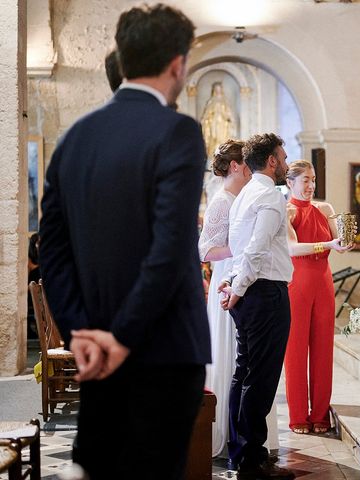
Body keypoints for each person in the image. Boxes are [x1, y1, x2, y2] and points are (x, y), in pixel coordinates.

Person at [38, 5, 210, 479]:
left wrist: (82, 332)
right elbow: (170, 248)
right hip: (163, 349)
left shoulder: (76, 137)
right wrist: (123, 336)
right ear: (177, 64)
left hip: (93, 348)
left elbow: (51, 248)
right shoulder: (177, 131)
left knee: (103, 469)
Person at [218, 133, 295, 480]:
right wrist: (237, 285)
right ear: (272, 161)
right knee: (261, 379)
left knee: (246, 374)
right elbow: (257, 248)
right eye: (283, 155)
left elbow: (240, 246)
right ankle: (253, 459)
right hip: (264, 294)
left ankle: (243, 452)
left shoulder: (244, 195)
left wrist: (233, 282)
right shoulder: (269, 195)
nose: (287, 161)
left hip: (249, 292)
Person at [197, 140, 280, 459]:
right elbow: (205, 249)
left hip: (246, 279)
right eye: (246, 164)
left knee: (251, 364)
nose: (250, 169)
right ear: (235, 166)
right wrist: (242, 248)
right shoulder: (222, 201)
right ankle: (229, 436)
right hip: (228, 282)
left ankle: (251, 436)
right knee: (235, 360)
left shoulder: (247, 196)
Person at [283, 160, 351, 434]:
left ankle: (320, 414)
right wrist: (329, 245)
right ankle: (298, 416)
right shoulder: (286, 212)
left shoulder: (325, 208)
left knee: (323, 350)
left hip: (323, 282)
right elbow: (291, 248)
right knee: (295, 351)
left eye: (313, 180)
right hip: (296, 284)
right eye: (305, 181)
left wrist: (345, 242)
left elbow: (340, 243)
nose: (311, 186)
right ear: (290, 183)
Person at [201, 82, 237, 158]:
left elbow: (229, 114)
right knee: (213, 140)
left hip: (223, 124)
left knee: (223, 140)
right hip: (213, 124)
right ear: (214, 90)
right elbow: (207, 114)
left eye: (219, 89)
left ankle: (222, 155)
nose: (218, 91)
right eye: (216, 89)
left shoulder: (225, 101)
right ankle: (213, 156)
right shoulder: (211, 101)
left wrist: (230, 119)